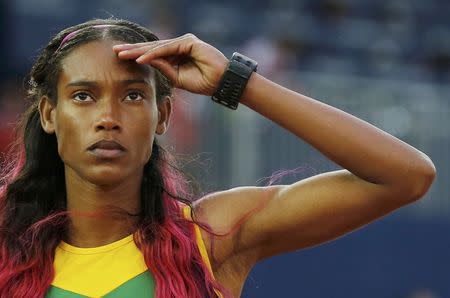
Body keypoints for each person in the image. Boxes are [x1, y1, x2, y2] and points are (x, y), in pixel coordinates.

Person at [0, 18, 436, 298]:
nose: (108, 118)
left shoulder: (211, 239)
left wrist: (235, 81)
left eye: (134, 95)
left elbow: (405, 176)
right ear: (50, 115)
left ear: (163, 116)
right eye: (83, 96)